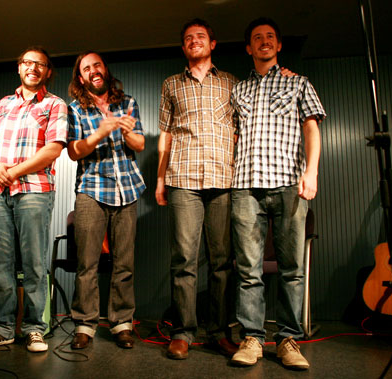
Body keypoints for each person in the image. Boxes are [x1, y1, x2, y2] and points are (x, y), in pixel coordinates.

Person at [229, 18, 325, 370]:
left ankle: (288, 340)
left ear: (279, 45)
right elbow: (234, 137)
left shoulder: (297, 82)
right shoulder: (237, 91)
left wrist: (311, 172)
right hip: (245, 186)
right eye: (257, 38)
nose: (264, 42)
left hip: (288, 183)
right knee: (248, 270)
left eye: (270, 37)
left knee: (292, 269)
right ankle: (253, 338)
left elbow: (311, 127)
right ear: (249, 48)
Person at [0, 46, 67, 353]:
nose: (33, 68)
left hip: (35, 190)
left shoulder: (55, 104)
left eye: (40, 64)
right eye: (27, 62)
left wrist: (12, 171)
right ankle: (2, 328)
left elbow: (53, 148)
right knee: (0, 264)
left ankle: (35, 329)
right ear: (19, 68)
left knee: (35, 263)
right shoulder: (3, 103)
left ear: (47, 72)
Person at [156, 18, 239, 360]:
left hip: (223, 180)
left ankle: (219, 331)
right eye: (188, 38)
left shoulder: (232, 83)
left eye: (200, 37)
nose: (194, 41)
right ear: (183, 47)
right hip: (182, 180)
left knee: (221, 261)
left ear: (212, 44)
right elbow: (165, 134)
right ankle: (183, 332)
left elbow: (240, 130)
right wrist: (160, 179)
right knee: (183, 260)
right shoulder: (171, 84)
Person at [67, 51, 146, 350]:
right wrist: (100, 132)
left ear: (105, 69)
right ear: (81, 77)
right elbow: (74, 151)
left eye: (97, 65)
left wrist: (125, 130)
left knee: (124, 263)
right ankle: (85, 325)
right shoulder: (74, 109)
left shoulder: (127, 103)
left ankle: (121, 324)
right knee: (87, 263)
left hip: (128, 188)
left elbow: (140, 143)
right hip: (91, 189)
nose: (93, 71)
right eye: (86, 68)